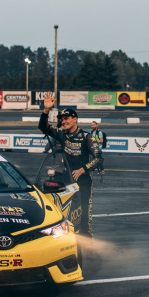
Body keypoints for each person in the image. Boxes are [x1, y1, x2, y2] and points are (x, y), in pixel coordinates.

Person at [38, 92, 102, 242]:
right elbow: (43, 127)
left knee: (85, 214)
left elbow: (99, 158)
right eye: (62, 119)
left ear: (75, 119)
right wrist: (46, 110)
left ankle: (89, 244)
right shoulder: (62, 134)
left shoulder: (87, 137)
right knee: (65, 213)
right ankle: (67, 242)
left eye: (66, 118)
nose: (63, 121)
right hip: (67, 180)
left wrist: (82, 170)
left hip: (84, 181)